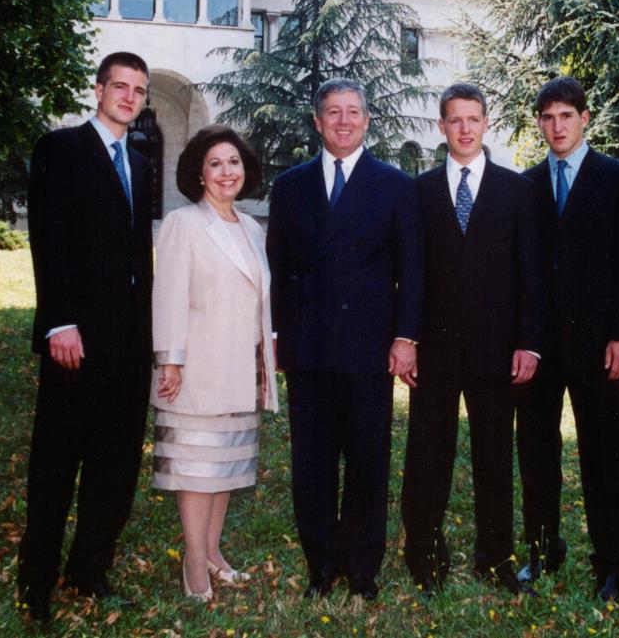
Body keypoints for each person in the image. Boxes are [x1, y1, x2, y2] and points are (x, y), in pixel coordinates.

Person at [266, 78, 424, 602]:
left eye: (352, 112)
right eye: (332, 112)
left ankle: (362, 566)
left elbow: (412, 270)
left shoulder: (395, 184)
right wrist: (278, 340)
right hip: (309, 349)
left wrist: (405, 337)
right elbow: (278, 270)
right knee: (312, 463)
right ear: (317, 122)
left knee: (366, 459)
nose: (343, 121)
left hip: (368, 348)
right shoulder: (290, 187)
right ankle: (320, 565)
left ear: (367, 120)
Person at [18, 51, 155, 621]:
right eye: (119, 86)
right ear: (98, 90)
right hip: (75, 337)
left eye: (138, 90)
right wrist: (59, 321)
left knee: (116, 462)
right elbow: (47, 241)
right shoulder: (62, 150)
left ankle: (90, 567)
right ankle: (37, 581)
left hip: (129, 341)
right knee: (58, 460)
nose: (128, 97)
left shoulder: (141, 161)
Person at [400, 83, 543, 597]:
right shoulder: (418, 191)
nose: (464, 128)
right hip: (434, 351)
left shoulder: (516, 190)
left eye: (473, 119)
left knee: (493, 456)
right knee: (427, 455)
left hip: (497, 351)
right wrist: (407, 338)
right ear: (441, 127)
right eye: (454, 120)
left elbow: (530, 273)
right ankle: (423, 555)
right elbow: (410, 272)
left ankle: (495, 559)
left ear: (487, 124)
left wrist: (529, 343)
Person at [515, 76, 619, 603]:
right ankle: (543, 551)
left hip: (599, 348)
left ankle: (613, 565)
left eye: (566, 116)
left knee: (606, 457)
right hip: (540, 349)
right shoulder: (525, 186)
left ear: (584, 118)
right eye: (547, 118)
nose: (557, 127)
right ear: (539, 124)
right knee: (537, 454)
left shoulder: (618, 178)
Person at [150, 125, 278, 602]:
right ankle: (193, 563)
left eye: (235, 163)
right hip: (197, 369)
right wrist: (170, 360)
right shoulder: (184, 223)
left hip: (242, 370)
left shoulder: (250, 227)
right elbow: (169, 297)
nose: (227, 172)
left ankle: (213, 553)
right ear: (199, 174)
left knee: (226, 469)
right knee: (197, 472)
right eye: (216, 164)